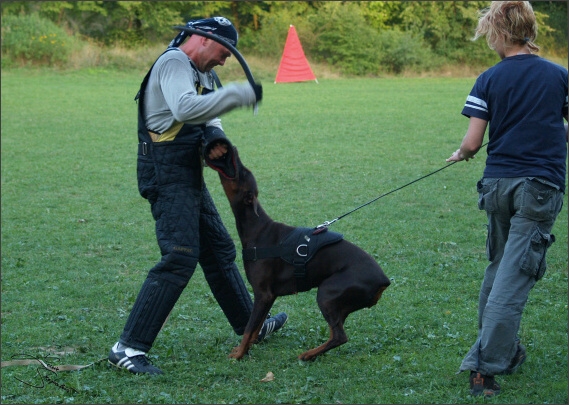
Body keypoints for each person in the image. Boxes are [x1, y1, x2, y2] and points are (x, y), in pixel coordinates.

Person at [108, 17, 288, 375]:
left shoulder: (204, 73)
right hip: (164, 172)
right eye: (224, 53)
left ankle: (249, 327)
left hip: (186, 173)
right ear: (203, 41)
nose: (224, 62)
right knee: (179, 255)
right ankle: (127, 347)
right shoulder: (174, 62)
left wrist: (216, 143)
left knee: (219, 249)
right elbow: (186, 110)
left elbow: (210, 120)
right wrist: (239, 93)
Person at [446, 1, 568, 397]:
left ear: (500, 33)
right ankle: (483, 368)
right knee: (512, 279)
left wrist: (461, 154)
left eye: (489, 34)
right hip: (539, 188)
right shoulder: (559, 76)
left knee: (500, 270)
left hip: (497, 186)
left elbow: (471, 143)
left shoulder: (488, 78)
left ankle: (505, 351)